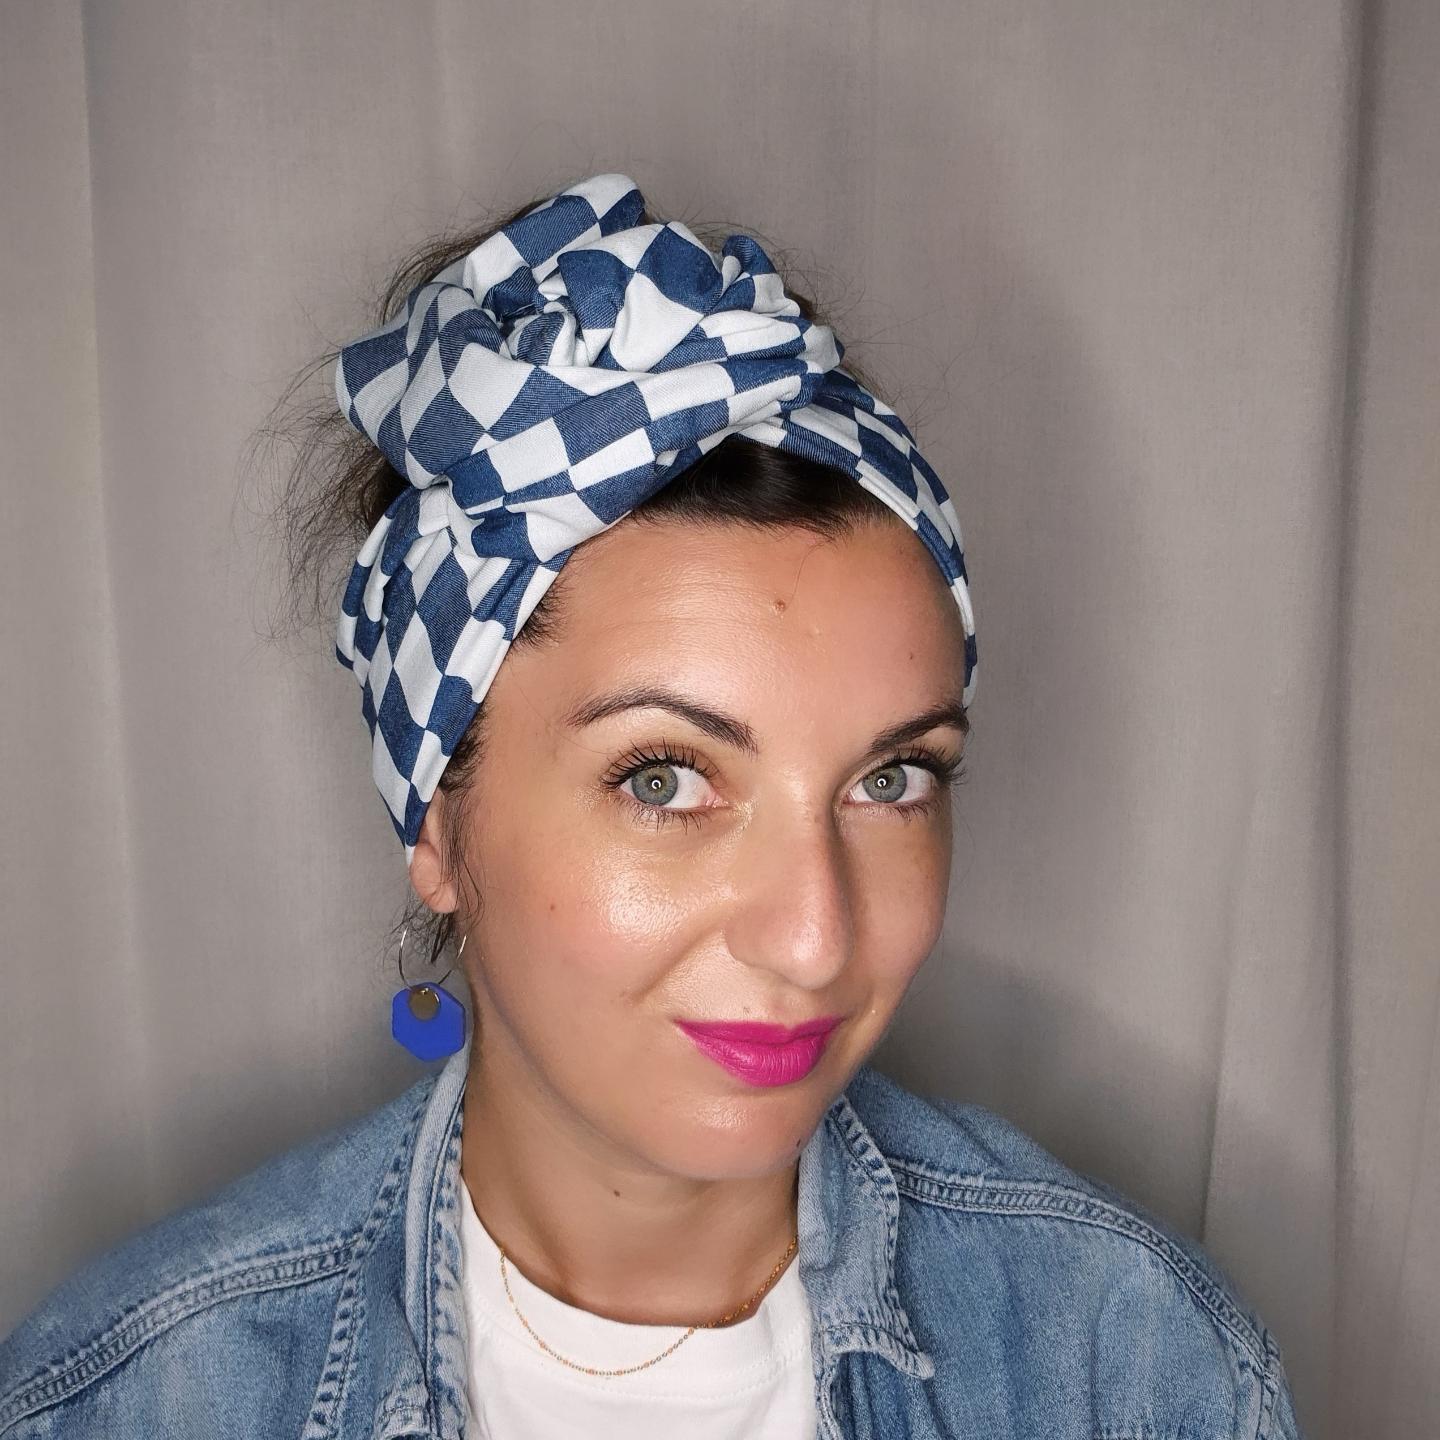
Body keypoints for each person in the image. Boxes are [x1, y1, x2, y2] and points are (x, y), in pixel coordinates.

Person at [0, 172, 1305, 1439]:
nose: (814, 937)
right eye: (665, 779)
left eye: (890, 778)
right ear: (438, 823)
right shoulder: (130, 1399)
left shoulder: (1133, 1366)